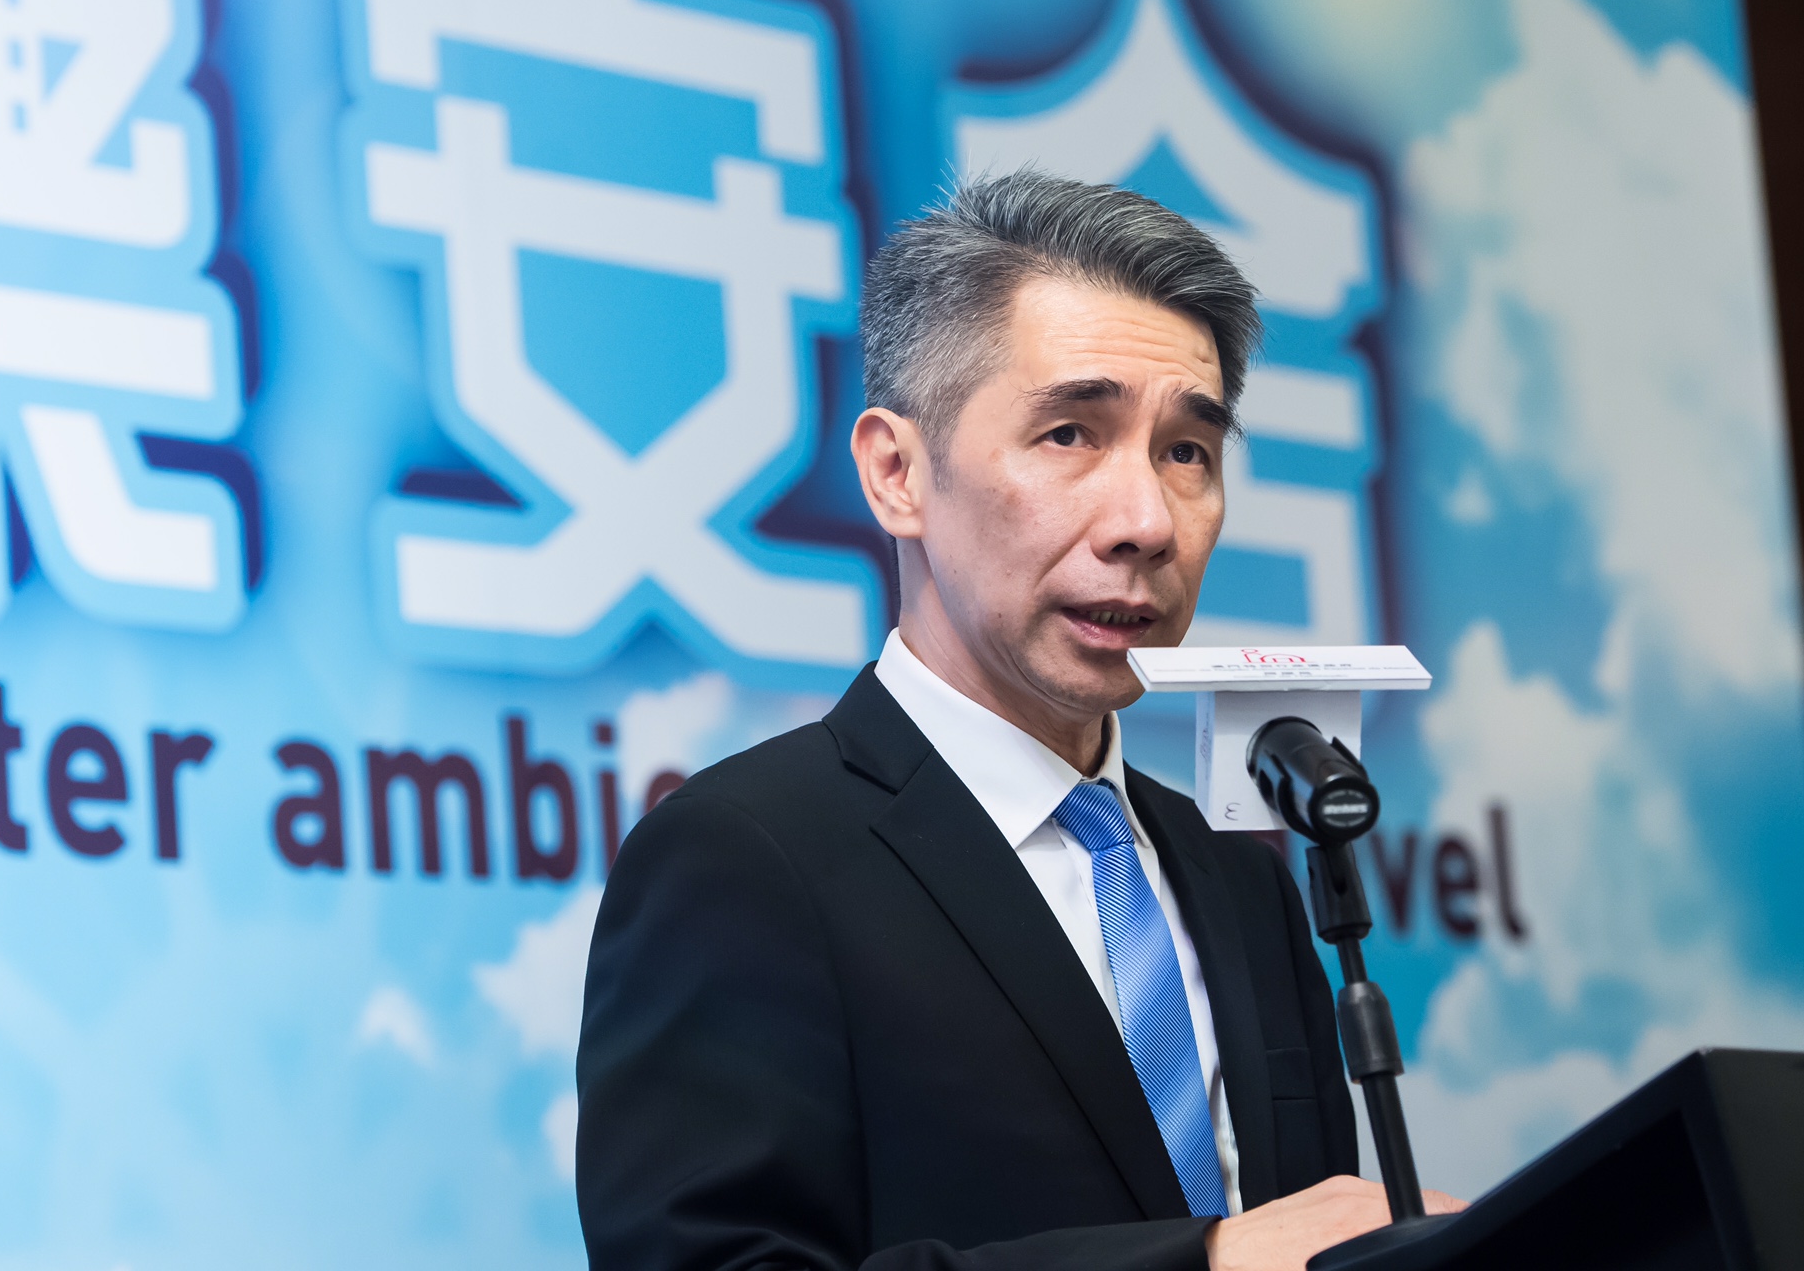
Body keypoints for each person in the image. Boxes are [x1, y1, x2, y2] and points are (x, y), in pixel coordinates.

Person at [576, 170, 1461, 1271]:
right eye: (1070, 434)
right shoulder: (742, 857)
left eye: (1186, 451)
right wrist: (1206, 1262)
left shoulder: (1239, 877)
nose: (1146, 521)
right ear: (897, 473)